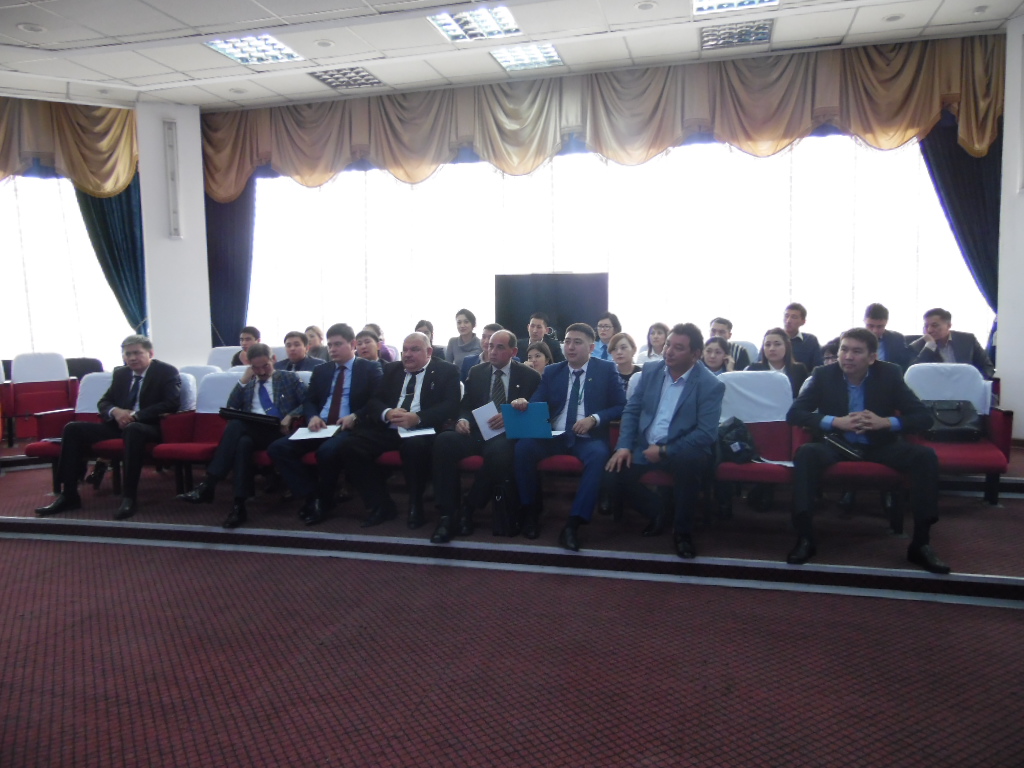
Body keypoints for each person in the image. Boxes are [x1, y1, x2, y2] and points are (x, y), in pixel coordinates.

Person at [787, 327, 950, 574]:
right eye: (843, 350)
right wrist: (835, 421)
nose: (847, 356)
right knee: (806, 453)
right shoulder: (823, 374)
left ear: (872, 357)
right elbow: (795, 414)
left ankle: (921, 543)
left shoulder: (890, 374)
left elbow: (923, 417)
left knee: (925, 457)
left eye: (856, 351)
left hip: (880, 445)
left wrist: (886, 422)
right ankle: (805, 538)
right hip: (838, 445)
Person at [606, 323, 725, 558]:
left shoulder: (710, 384)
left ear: (695, 354)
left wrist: (664, 450)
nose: (668, 351)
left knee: (689, 464)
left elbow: (705, 433)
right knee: (612, 473)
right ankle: (659, 512)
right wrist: (624, 445)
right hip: (644, 444)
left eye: (678, 348)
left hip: (683, 449)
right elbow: (632, 410)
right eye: (668, 344)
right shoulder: (651, 371)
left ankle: (682, 532)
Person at [35, 334, 181, 521]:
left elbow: (171, 403)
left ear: (150, 353)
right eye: (127, 354)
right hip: (119, 424)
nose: (132, 358)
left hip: (150, 426)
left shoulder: (166, 372)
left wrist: (136, 416)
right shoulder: (121, 373)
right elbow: (104, 402)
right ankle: (69, 494)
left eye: (137, 353)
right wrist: (116, 412)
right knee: (73, 428)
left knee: (133, 429)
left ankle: (129, 497)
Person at [511, 323, 626, 550]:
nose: (570, 347)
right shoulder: (553, 371)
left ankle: (574, 523)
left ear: (591, 347)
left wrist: (594, 418)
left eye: (578, 342)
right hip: (555, 436)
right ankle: (531, 510)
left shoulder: (606, 369)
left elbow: (621, 406)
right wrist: (524, 403)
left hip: (587, 438)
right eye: (568, 341)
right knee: (523, 448)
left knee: (599, 454)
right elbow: (537, 401)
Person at [336, 332, 461, 529]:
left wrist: (418, 417)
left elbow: (451, 405)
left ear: (429, 351)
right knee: (351, 446)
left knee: (414, 447)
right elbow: (374, 401)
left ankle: (415, 504)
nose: (408, 355)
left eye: (414, 350)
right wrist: (387, 412)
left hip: (421, 430)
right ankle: (380, 504)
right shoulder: (392, 369)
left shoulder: (446, 370)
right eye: (405, 350)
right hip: (390, 428)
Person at [430, 330, 542, 543]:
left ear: (513, 352)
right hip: (477, 431)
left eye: (500, 347)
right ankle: (447, 514)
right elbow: (466, 405)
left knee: (499, 453)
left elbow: (536, 414)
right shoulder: (477, 372)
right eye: (490, 346)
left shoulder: (529, 377)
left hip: (507, 435)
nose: (493, 351)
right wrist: (462, 419)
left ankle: (469, 507)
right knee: (444, 441)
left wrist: (511, 416)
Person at [178, 343, 306, 528]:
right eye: (256, 368)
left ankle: (209, 484)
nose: (261, 372)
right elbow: (231, 407)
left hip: (278, 431)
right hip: (253, 431)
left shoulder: (289, 378)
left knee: (237, 426)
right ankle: (239, 506)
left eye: (265, 366)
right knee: (242, 443)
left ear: (273, 360)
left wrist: (291, 415)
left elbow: (309, 402)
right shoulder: (248, 383)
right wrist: (243, 381)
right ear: (250, 366)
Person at [266, 323, 383, 525]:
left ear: (353, 344)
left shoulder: (369, 368)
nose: (332, 349)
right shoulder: (322, 370)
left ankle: (323, 501)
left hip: (348, 426)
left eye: (338, 344)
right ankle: (313, 496)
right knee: (278, 448)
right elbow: (310, 400)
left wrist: (355, 416)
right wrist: (312, 416)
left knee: (327, 452)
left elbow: (377, 400)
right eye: (330, 345)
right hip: (320, 425)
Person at [908, 308, 994, 379]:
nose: (929, 330)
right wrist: (930, 346)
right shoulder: (918, 346)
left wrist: (977, 382)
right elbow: (912, 374)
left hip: (966, 387)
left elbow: (987, 367)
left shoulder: (968, 340)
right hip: (935, 389)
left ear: (948, 325)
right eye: (926, 326)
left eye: (934, 325)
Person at [745, 327, 809, 398]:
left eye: (777, 344)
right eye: (767, 345)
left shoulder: (799, 370)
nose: (772, 349)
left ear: (787, 346)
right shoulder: (754, 369)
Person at [863, 303, 910, 370]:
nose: (875, 331)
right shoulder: (853, 340)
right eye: (870, 326)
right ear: (864, 321)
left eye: (880, 326)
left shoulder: (897, 339)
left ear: (886, 323)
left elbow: (903, 366)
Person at [782, 303, 822, 369]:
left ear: (803, 322)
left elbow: (818, 367)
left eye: (794, 317)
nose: (788, 321)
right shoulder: (773, 339)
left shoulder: (810, 341)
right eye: (786, 316)